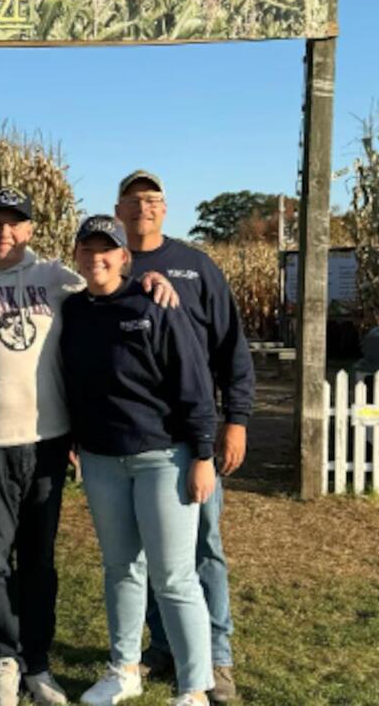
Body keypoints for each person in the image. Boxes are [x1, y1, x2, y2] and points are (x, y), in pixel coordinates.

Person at [0, 187, 178, 706]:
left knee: (39, 561)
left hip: (46, 440)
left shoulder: (54, 277)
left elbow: (108, 283)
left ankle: (37, 662)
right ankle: (4, 658)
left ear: (30, 230)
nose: (4, 232)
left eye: (15, 223)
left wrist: (148, 280)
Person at [61, 214, 217, 706]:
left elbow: (192, 381)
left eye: (106, 249)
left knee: (173, 576)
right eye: (87, 249)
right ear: (77, 256)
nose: (96, 258)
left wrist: (203, 454)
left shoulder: (154, 302)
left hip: (163, 457)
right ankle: (124, 668)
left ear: (124, 257)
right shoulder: (72, 310)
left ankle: (195, 688)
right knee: (121, 568)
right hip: (102, 459)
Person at [115, 170, 255, 704]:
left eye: (152, 201)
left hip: (191, 437)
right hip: (135, 437)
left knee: (203, 548)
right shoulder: (108, 267)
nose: (143, 209)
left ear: (165, 209)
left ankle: (217, 658)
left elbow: (231, 349)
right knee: (150, 552)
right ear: (119, 208)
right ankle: (164, 647)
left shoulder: (196, 268)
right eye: (133, 201)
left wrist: (235, 420)